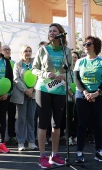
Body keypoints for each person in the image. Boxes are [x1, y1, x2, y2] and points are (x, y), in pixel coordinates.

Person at [32, 23, 72, 168]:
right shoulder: (43, 49)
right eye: (50, 31)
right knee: (43, 123)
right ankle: (42, 156)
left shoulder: (67, 51)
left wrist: (64, 75)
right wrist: (45, 74)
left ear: (61, 34)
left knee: (57, 124)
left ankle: (54, 155)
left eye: (54, 31)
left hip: (60, 90)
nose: (51, 33)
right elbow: (34, 69)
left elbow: (71, 71)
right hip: (43, 89)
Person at [74, 36, 102, 163]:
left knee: (98, 124)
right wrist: (85, 92)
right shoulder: (80, 61)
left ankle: (99, 151)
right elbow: (76, 79)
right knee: (82, 124)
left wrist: (97, 93)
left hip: (99, 95)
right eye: (84, 43)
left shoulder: (101, 61)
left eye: (88, 43)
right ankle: (80, 152)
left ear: (95, 46)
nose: (85, 45)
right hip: (82, 95)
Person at [10, 45, 38, 151]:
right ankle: (21, 143)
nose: (28, 52)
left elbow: (38, 77)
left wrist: (32, 89)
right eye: (26, 51)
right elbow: (16, 79)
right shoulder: (17, 64)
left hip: (33, 94)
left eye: (30, 50)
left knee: (31, 119)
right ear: (22, 53)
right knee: (21, 119)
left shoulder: (35, 64)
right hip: (21, 95)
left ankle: (31, 142)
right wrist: (26, 90)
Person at [2, 45, 17, 144]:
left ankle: (12, 136)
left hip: (12, 94)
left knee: (12, 116)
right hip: (1, 94)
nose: (7, 51)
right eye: (5, 49)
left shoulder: (15, 63)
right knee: (0, 116)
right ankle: (0, 137)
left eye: (9, 49)